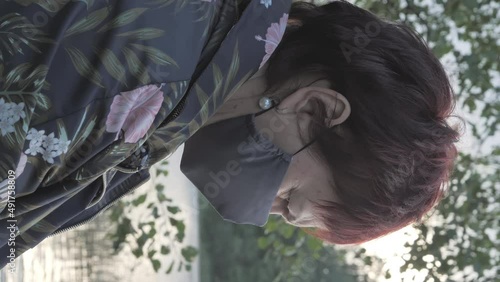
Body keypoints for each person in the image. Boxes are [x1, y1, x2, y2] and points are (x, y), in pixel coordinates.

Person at [0, 0, 461, 268]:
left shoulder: (188, 75)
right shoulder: (137, 86)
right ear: (314, 108)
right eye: (288, 199)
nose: (260, 211)